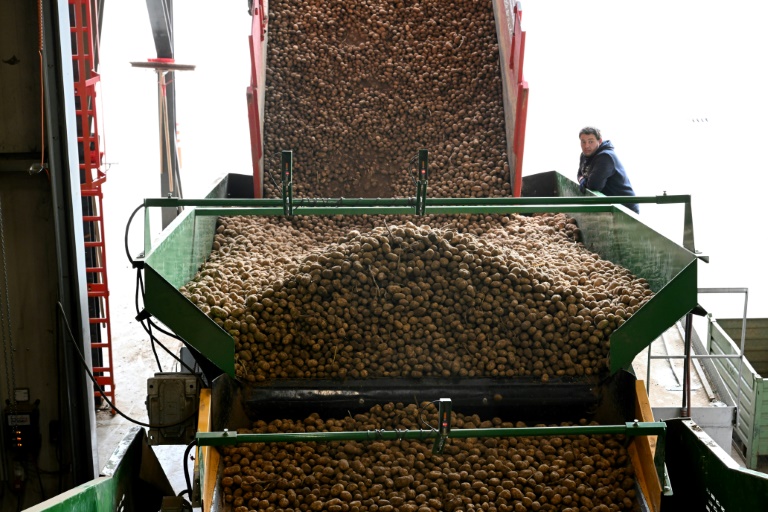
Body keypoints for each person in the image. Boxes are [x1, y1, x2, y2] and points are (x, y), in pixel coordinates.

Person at [576, 127, 639, 213]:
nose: (586, 146)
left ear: (600, 141)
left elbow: (594, 185)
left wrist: (585, 181)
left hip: (624, 208)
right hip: (608, 204)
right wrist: (582, 180)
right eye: (583, 142)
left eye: (591, 141)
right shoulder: (584, 155)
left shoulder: (606, 157)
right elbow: (580, 174)